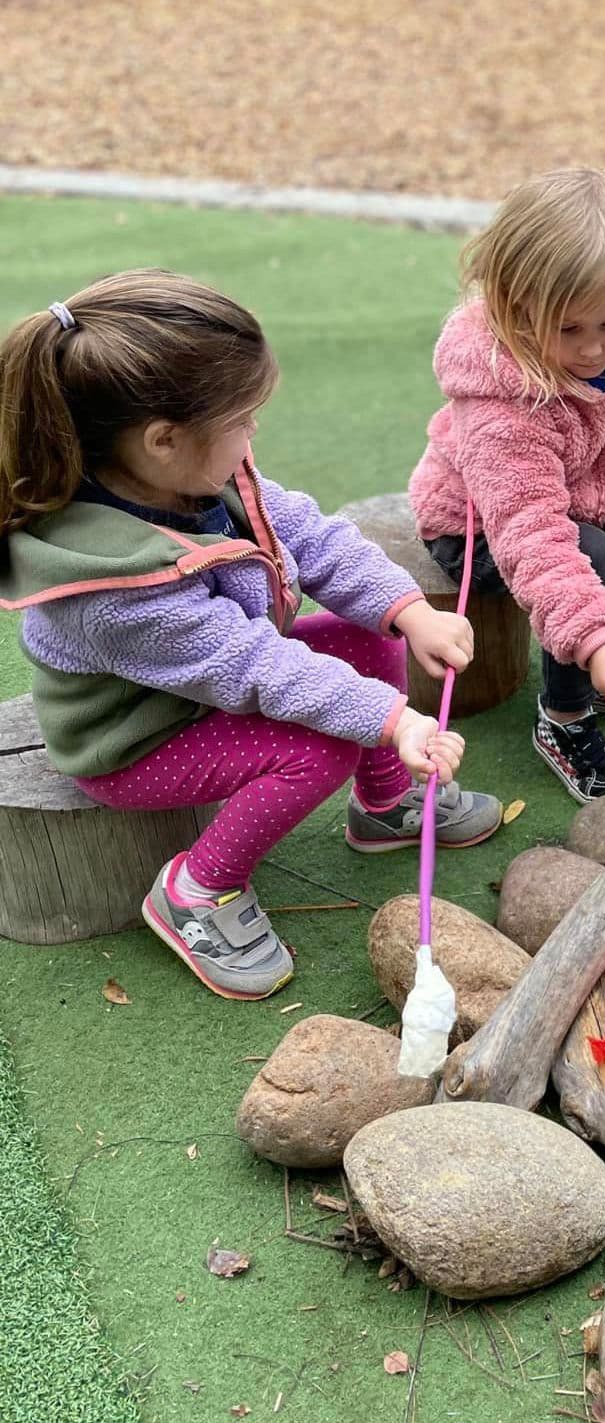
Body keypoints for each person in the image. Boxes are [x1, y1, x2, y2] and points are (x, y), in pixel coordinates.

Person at [0, 271, 502, 1001]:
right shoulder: (111, 586)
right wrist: (392, 719)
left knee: (368, 643)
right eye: (242, 418)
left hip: (205, 690)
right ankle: (198, 891)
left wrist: (405, 610)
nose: (253, 433)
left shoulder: (205, 473)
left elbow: (311, 534)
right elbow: (255, 663)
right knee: (319, 744)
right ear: (165, 440)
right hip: (136, 741)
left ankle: (386, 807)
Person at [411, 166, 605, 804]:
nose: (595, 349)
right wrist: (591, 633)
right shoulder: (501, 402)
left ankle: (604, 671)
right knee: (595, 573)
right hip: (482, 530)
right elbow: (531, 533)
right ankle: (563, 718)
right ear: (517, 309)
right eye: (568, 329)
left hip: (583, 514)